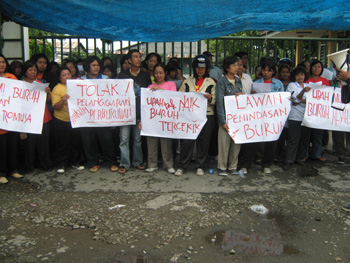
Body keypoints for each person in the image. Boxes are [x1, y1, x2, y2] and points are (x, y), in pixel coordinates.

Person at [175, 55, 216, 176]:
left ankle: (200, 165)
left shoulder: (211, 82)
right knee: (187, 141)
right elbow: (179, 96)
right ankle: (183, 166)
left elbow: (215, 100)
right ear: (194, 68)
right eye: (198, 67)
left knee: (203, 140)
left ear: (207, 68)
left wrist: (210, 98)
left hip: (207, 115)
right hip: (189, 115)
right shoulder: (187, 82)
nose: (200, 70)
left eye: (203, 67)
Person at [80, 56, 118, 173]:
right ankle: (93, 162)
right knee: (89, 139)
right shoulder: (80, 80)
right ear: (87, 67)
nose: (96, 67)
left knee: (106, 139)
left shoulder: (105, 78)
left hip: (102, 116)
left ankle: (112, 161)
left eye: (97, 65)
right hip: (87, 116)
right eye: (93, 65)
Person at [117, 49, 152, 174]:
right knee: (124, 139)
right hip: (125, 114)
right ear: (129, 60)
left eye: (139, 57)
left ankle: (137, 161)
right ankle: (125, 163)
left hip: (139, 113)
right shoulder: (122, 75)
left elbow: (149, 94)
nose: (139, 59)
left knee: (137, 139)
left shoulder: (145, 75)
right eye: (135, 57)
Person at [142, 63, 176, 173]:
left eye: (161, 73)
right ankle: (152, 164)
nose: (158, 75)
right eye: (156, 73)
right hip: (153, 119)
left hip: (166, 119)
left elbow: (173, 98)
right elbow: (146, 105)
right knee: (151, 142)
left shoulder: (171, 84)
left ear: (165, 73)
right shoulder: (150, 87)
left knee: (166, 143)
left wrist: (160, 90)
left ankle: (168, 165)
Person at [51, 67, 85, 173]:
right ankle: (61, 164)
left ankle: (75, 162)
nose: (67, 77)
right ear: (59, 77)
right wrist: (62, 100)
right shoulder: (57, 89)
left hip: (75, 120)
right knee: (62, 144)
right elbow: (56, 106)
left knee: (75, 143)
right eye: (64, 75)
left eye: (68, 74)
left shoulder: (76, 85)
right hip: (61, 120)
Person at [253, 58, 284, 174]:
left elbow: (282, 99)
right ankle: (259, 158)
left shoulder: (278, 84)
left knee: (271, 140)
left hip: (273, 116)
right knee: (259, 140)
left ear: (273, 72)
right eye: (264, 70)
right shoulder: (256, 83)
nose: (266, 73)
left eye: (269, 71)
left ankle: (267, 163)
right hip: (260, 115)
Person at [22, 60, 53, 173]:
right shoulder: (20, 84)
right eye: (30, 70)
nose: (33, 72)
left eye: (34, 70)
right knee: (29, 143)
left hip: (43, 117)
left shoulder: (41, 82)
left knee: (44, 143)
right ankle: (29, 166)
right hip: (28, 118)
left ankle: (45, 164)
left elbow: (48, 100)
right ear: (25, 71)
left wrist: (48, 92)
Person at [215, 56, 242, 176]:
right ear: (227, 68)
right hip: (226, 116)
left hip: (237, 117)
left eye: (237, 65)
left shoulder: (238, 80)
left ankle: (233, 166)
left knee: (236, 143)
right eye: (234, 66)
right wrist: (222, 121)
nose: (237, 68)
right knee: (224, 143)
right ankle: (222, 167)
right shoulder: (222, 82)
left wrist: (241, 96)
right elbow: (219, 102)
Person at [0, 54, 23, 184]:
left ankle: (13, 170)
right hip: (1, 123)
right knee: (1, 149)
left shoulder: (11, 77)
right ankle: (2, 172)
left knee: (13, 147)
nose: (1, 64)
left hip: (11, 120)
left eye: (3, 62)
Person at [283, 66, 311, 170]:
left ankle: (300, 158)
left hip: (306, 116)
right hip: (295, 116)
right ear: (294, 76)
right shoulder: (291, 85)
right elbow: (294, 99)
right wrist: (303, 93)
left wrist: (302, 101)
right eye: (298, 75)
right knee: (293, 139)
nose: (300, 77)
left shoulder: (309, 85)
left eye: (302, 74)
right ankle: (289, 160)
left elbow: (312, 100)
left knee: (304, 139)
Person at [305, 59, 330, 162]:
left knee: (318, 135)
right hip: (307, 111)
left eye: (319, 67)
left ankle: (317, 154)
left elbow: (328, 95)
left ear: (321, 69)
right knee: (306, 135)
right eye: (314, 66)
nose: (316, 69)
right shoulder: (306, 80)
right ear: (311, 68)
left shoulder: (325, 81)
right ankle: (304, 155)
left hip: (320, 112)